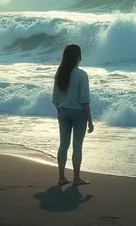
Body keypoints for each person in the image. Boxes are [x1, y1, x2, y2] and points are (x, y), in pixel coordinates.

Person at [52, 43, 94, 186]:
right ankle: (76, 178)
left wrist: (61, 110)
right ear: (77, 57)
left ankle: (61, 177)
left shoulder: (60, 72)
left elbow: (55, 98)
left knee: (63, 145)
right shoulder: (81, 75)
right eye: (80, 54)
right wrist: (89, 119)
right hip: (78, 114)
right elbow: (85, 100)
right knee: (77, 146)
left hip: (63, 112)